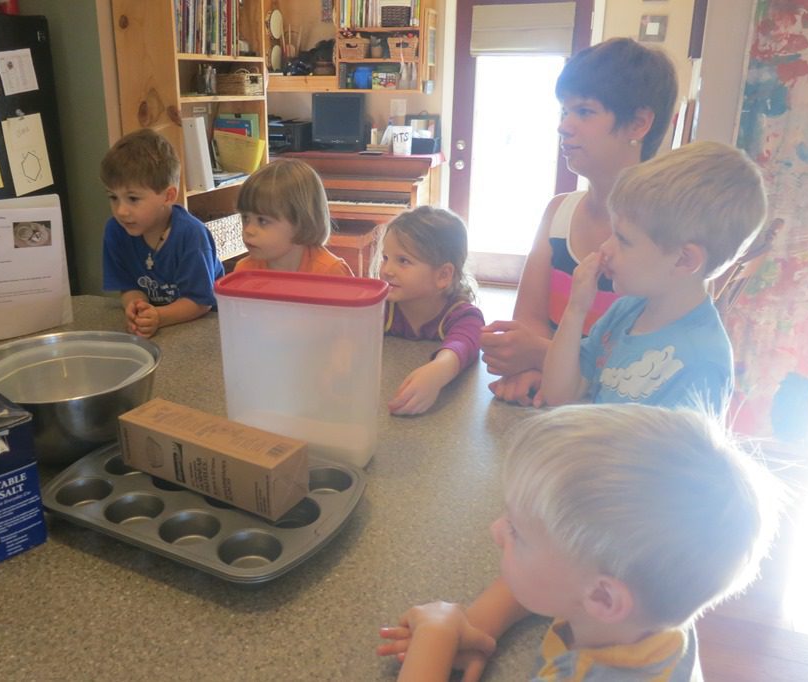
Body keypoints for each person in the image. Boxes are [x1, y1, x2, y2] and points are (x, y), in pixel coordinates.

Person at [378, 403, 780, 682]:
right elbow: (553, 580)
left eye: (517, 532)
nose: (495, 530)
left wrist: (436, 635)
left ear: (603, 597)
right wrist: (476, 627)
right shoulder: (652, 610)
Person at [482, 38, 678, 405]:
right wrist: (533, 367)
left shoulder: (670, 233)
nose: (564, 126)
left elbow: (650, 366)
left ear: (638, 123)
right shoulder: (558, 213)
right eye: (564, 111)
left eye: (584, 111)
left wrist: (540, 356)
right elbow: (529, 320)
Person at [541, 141, 768, 412]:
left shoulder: (701, 365)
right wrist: (576, 310)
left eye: (623, 240)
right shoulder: (627, 310)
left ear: (684, 260)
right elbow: (559, 394)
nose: (605, 248)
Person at [101, 128, 224, 338]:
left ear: (168, 196)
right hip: (161, 329)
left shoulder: (191, 235)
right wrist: (137, 307)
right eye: (113, 197)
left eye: (133, 199)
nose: (121, 211)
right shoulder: (115, 231)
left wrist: (159, 316)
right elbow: (128, 285)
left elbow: (201, 302)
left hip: (204, 326)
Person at [379, 207, 485, 415]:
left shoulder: (461, 314)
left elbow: (465, 343)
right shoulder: (382, 307)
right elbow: (351, 335)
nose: (387, 270)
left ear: (443, 275)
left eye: (403, 261)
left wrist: (438, 371)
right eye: (385, 258)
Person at [233, 158, 354, 275]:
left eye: (262, 221)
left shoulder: (330, 272)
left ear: (301, 223)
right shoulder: (244, 271)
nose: (248, 230)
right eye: (245, 218)